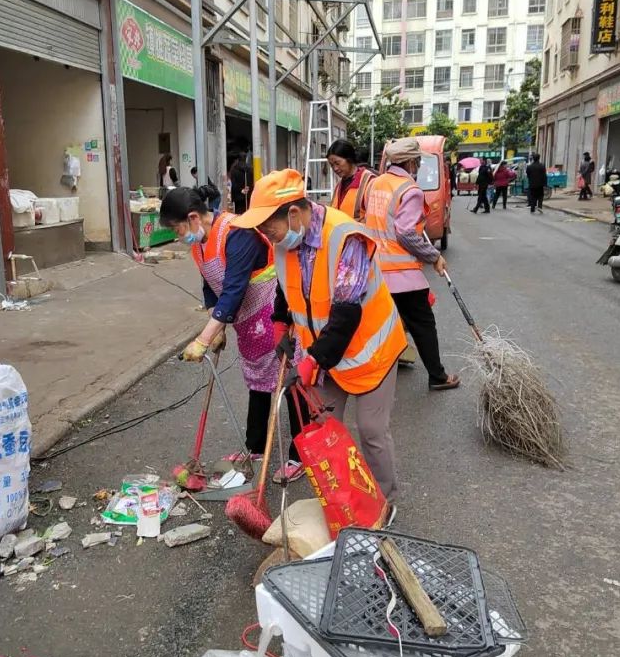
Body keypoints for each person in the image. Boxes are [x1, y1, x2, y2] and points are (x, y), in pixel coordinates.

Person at [232, 169, 408, 508]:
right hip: (328, 353)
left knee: (371, 431)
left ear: (294, 214)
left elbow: (346, 315)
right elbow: (286, 289)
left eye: (269, 229)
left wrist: (312, 360)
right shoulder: (285, 241)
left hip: (371, 350)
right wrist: (281, 326)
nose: (267, 237)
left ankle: (385, 503)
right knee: (325, 428)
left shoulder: (346, 238)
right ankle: (344, 503)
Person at [160, 187, 302, 478]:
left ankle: (299, 455)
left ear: (193, 217)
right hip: (247, 322)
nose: (178, 236)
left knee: (290, 382)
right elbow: (211, 288)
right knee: (258, 382)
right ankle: (256, 446)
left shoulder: (237, 233)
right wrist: (219, 327)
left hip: (272, 312)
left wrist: (204, 338)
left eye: (177, 229)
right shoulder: (199, 243)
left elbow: (234, 291)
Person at [363, 137, 460, 392]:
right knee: (423, 324)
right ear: (410, 161)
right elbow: (405, 232)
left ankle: (373, 375)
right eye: (417, 160)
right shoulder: (410, 190)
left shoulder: (376, 184)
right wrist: (434, 256)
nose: (418, 164)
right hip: (401, 273)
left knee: (382, 325)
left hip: (375, 269)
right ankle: (437, 376)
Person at [327, 138, 377, 219]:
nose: (335, 168)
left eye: (337, 163)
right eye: (332, 165)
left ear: (349, 159)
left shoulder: (369, 182)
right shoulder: (339, 186)